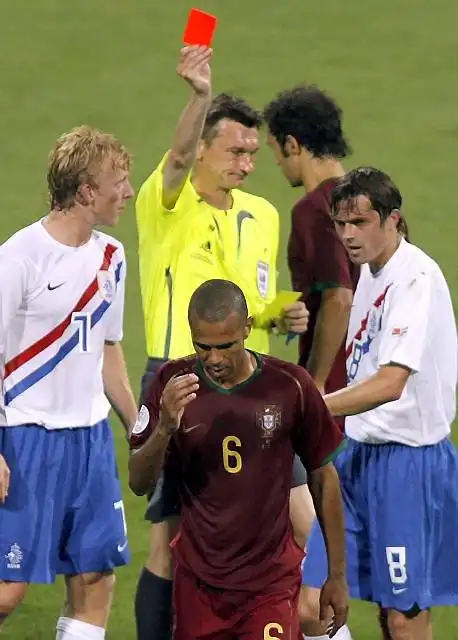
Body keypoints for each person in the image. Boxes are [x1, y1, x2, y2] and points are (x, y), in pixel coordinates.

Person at [134, 46, 310, 640]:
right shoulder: (166, 204)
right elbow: (178, 156)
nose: (247, 164)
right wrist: (200, 95)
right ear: (205, 149)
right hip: (181, 379)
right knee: (170, 541)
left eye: (253, 153)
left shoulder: (263, 214)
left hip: (255, 383)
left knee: (299, 519)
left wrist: (281, 311)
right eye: (235, 151)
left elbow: (252, 298)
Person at [129, 278, 349, 640]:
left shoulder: (289, 385)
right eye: (203, 347)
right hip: (199, 588)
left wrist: (337, 575)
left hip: (269, 587)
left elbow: (324, 478)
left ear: (247, 328)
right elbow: (138, 482)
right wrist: (165, 428)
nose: (214, 359)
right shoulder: (172, 383)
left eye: (225, 346)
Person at [300, 167, 458, 640]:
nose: (348, 235)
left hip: (408, 465)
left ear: (393, 220)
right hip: (356, 458)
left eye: (360, 223)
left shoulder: (415, 280)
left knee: (403, 617)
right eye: (341, 224)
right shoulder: (370, 270)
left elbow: (391, 383)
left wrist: (314, 407)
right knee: (312, 604)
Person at [0, 125, 138, 640]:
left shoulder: (112, 257)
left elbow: (107, 348)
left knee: (94, 578)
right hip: (26, 438)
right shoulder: (19, 258)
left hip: (91, 440)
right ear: (85, 192)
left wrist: (137, 423)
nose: (128, 193)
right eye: (118, 183)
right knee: (7, 590)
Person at [263, 85, 359, 401]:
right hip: (379, 381)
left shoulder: (315, 209)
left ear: (292, 144)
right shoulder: (375, 200)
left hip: (339, 390)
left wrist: (315, 382)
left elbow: (339, 298)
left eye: (275, 149)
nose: (277, 162)